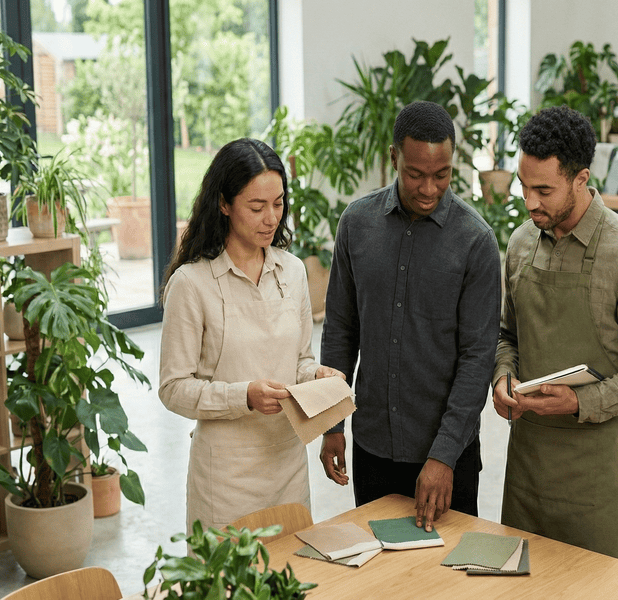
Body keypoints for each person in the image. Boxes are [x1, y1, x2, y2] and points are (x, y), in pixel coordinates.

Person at [491, 106, 618, 559]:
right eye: (523, 186)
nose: (529, 202)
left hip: (593, 475)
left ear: (581, 180)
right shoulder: (519, 245)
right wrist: (501, 376)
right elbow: (505, 334)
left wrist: (579, 401)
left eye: (544, 190)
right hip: (526, 465)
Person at [320, 101, 501, 531]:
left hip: (446, 455)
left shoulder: (476, 242)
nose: (428, 188)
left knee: (447, 585)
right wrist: (332, 423)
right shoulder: (356, 224)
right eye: (415, 174)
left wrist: (443, 456)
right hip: (373, 450)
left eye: (442, 175)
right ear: (393, 158)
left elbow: (478, 359)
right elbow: (341, 331)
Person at [159, 138, 344, 533]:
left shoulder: (293, 271)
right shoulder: (191, 284)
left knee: (291, 586)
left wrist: (317, 377)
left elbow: (299, 360)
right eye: (257, 207)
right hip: (225, 479)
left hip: (288, 466)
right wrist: (244, 396)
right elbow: (173, 388)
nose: (271, 218)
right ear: (224, 204)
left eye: (278, 204)